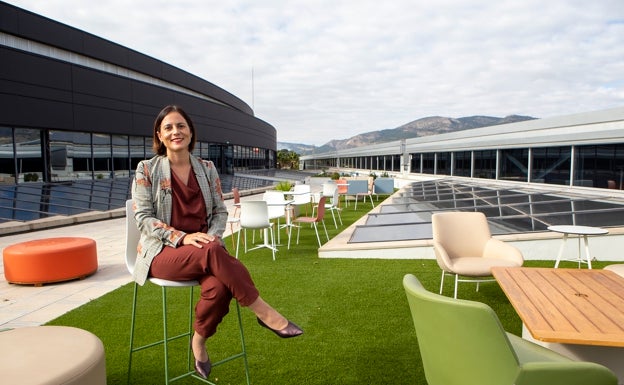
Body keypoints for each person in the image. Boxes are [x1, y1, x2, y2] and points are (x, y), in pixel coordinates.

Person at [131, 105, 303, 379]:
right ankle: (264, 312)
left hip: (205, 250)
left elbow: (220, 212)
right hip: (163, 253)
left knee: (221, 285)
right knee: (212, 250)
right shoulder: (147, 169)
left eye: (181, 126)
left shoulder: (207, 168)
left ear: (190, 131)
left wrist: (213, 234)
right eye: (169, 128)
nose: (176, 131)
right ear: (160, 136)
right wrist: (183, 237)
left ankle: (198, 342)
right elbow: (143, 218)